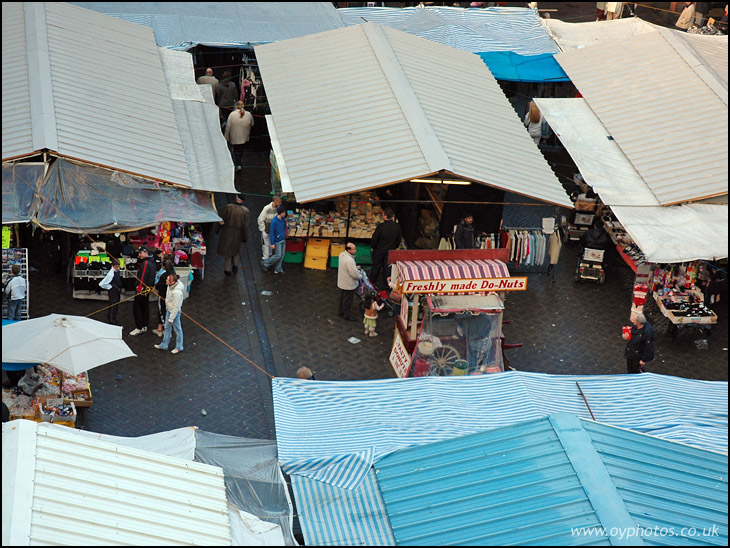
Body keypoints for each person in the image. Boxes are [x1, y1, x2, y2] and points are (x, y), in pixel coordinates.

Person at [217, 194, 250, 276]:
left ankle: (227, 270)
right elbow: (246, 226)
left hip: (227, 232)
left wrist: (217, 230)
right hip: (238, 233)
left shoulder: (228, 207)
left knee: (227, 251)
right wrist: (245, 237)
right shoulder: (245, 211)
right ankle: (235, 266)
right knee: (236, 250)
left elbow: (221, 220)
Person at [369, 208, 402, 291]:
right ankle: (387, 286)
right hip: (390, 251)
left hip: (379, 251)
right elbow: (399, 239)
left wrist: (373, 247)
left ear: (385, 216)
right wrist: (394, 247)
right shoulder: (397, 227)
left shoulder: (381, 227)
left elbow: (374, 239)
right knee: (387, 269)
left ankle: (371, 283)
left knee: (375, 267)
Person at [154, 273, 185, 354]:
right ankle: (164, 345)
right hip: (169, 310)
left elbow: (176, 307)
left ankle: (179, 347)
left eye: (168, 280)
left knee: (177, 329)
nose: (166, 280)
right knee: (167, 327)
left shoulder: (177, 293)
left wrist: (171, 318)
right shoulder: (170, 286)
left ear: (172, 282)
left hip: (174, 312)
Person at [130, 246, 156, 336]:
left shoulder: (145, 263)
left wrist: (139, 288)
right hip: (147, 289)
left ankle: (139, 327)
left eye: (141, 253)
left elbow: (142, 277)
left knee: (137, 308)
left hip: (142, 290)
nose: (139, 255)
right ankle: (144, 325)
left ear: (146, 253)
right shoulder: (152, 262)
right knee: (145, 306)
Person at [224, 101, 255, 171]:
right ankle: (239, 163)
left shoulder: (232, 115)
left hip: (234, 136)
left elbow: (228, 126)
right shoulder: (249, 114)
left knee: (236, 150)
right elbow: (252, 124)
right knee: (241, 150)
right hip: (244, 136)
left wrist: (226, 135)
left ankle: (238, 164)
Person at [337, 242, 361, 321]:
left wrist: (355, 267)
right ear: (349, 250)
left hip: (342, 281)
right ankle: (347, 315)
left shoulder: (342, 255)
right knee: (348, 300)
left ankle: (340, 311)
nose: (355, 250)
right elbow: (354, 274)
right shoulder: (350, 260)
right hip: (349, 284)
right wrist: (360, 276)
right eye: (354, 249)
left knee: (342, 297)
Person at [152, 257, 175, 337]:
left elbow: (158, 286)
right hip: (171, 297)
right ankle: (161, 328)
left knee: (162, 311)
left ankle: (166, 330)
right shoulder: (174, 274)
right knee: (168, 312)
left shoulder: (164, 276)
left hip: (163, 296)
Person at [262, 206, 287, 274]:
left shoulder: (283, 220)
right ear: (280, 213)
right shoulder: (274, 221)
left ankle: (278, 268)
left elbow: (284, 228)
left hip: (282, 239)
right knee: (278, 255)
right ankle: (266, 263)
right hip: (278, 241)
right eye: (283, 212)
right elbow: (272, 233)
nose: (284, 213)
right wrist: (272, 243)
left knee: (282, 255)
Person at [257, 196, 282, 262]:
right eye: (279, 202)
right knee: (266, 244)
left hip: (272, 230)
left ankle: (268, 257)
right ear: (275, 201)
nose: (280, 203)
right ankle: (266, 258)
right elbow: (260, 219)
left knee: (270, 244)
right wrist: (263, 229)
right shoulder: (267, 208)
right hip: (267, 229)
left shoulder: (277, 209)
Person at [98, 258, 122, 325]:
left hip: (117, 291)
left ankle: (114, 318)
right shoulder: (110, 274)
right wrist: (110, 287)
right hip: (113, 292)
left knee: (116, 305)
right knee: (112, 306)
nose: (118, 268)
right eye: (117, 267)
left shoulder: (116, 272)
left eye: (119, 266)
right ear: (113, 266)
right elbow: (101, 284)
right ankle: (111, 320)